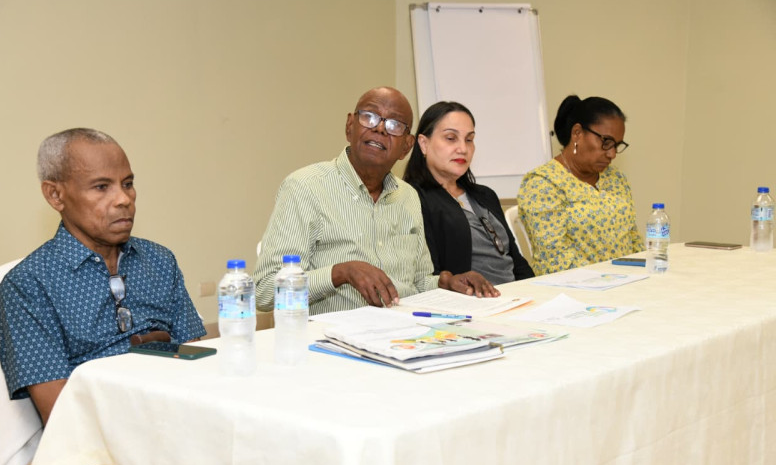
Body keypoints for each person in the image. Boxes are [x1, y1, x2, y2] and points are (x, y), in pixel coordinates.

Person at [0, 128, 206, 425]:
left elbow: (196, 356)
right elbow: (61, 413)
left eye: (128, 183)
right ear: (55, 195)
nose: (124, 199)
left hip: (182, 413)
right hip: (102, 436)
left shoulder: (160, 261)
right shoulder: (29, 284)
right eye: (101, 187)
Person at [254, 87, 498, 315]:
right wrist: (340, 272)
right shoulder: (304, 187)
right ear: (350, 126)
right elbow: (264, 290)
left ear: (406, 147)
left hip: (406, 331)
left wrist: (446, 282)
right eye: (369, 117)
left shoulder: (408, 196)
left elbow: (418, 281)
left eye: (394, 125)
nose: (380, 129)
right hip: (336, 339)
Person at [403, 101, 534, 286]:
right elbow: (429, 275)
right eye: (451, 138)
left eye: (469, 139)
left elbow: (516, 261)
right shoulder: (414, 199)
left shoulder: (485, 195)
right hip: (470, 304)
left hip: (516, 299)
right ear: (424, 144)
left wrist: (536, 293)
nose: (463, 148)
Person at [517, 95, 644, 275]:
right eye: (606, 142)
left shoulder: (615, 178)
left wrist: (646, 272)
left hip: (626, 283)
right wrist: (610, 280)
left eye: (617, 145)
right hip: (575, 289)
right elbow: (555, 258)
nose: (612, 154)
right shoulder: (543, 183)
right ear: (577, 133)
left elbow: (633, 239)